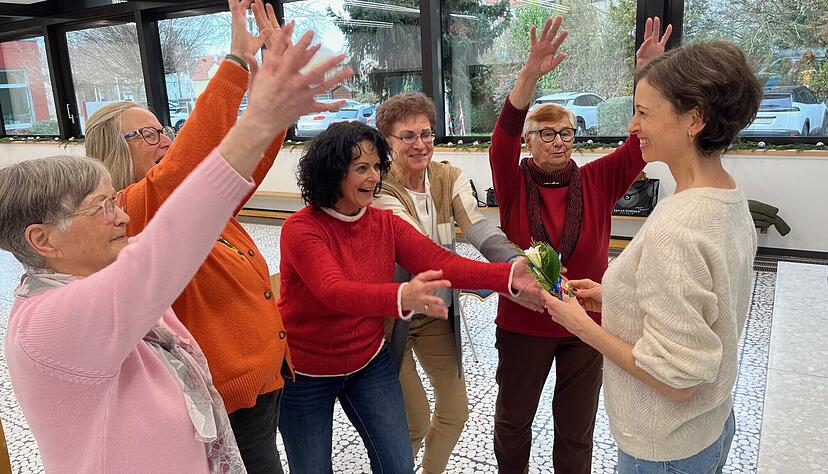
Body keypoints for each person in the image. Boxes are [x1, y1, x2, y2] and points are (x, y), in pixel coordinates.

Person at [0, 30, 349, 473]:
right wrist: (251, 104)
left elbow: (190, 213)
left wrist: (272, 117)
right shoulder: (47, 322)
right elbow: (171, 229)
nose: (122, 218)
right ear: (43, 239)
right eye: (102, 207)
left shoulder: (106, 268)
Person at [82, 2, 330, 471]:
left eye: (164, 129)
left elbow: (246, 166)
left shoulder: (189, 206)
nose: (166, 140)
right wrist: (236, 66)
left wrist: (274, 102)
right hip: (225, 395)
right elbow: (178, 172)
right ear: (112, 149)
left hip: (263, 379)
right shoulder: (129, 211)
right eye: (148, 133)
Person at [543, 39, 761, 474]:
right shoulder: (728, 197)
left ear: (694, 119)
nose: (632, 124)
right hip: (711, 424)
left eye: (643, 112)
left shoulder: (677, 229)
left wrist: (581, 326)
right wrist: (614, 297)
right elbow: (704, 309)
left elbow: (675, 379)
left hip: (669, 447)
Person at [276, 121, 542, 473]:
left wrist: (508, 275)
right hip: (306, 371)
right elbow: (333, 291)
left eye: (375, 167)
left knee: (398, 464)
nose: (373, 177)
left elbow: (440, 261)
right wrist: (402, 295)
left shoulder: (383, 224)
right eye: (360, 168)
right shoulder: (302, 229)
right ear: (332, 173)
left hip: (368, 362)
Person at [488, 16, 671, 473]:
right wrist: (529, 74)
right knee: (514, 422)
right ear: (529, 141)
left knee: (576, 429)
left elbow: (636, 144)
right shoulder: (512, 181)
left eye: (565, 132)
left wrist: (647, 75)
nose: (557, 141)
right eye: (545, 133)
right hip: (524, 322)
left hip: (587, 324)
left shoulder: (596, 180)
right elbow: (500, 141)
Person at [372, 92, 544, 473]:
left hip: (436, 311)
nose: (421, 144)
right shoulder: (380, 189)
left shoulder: (447, 176)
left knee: (454, 412)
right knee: (413, 423)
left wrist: (516, 262)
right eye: (408, 136)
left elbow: (479, 227)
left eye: (427, 133)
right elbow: (420, 252)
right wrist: (501, 280)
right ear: (387, 142)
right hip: (390, 316)